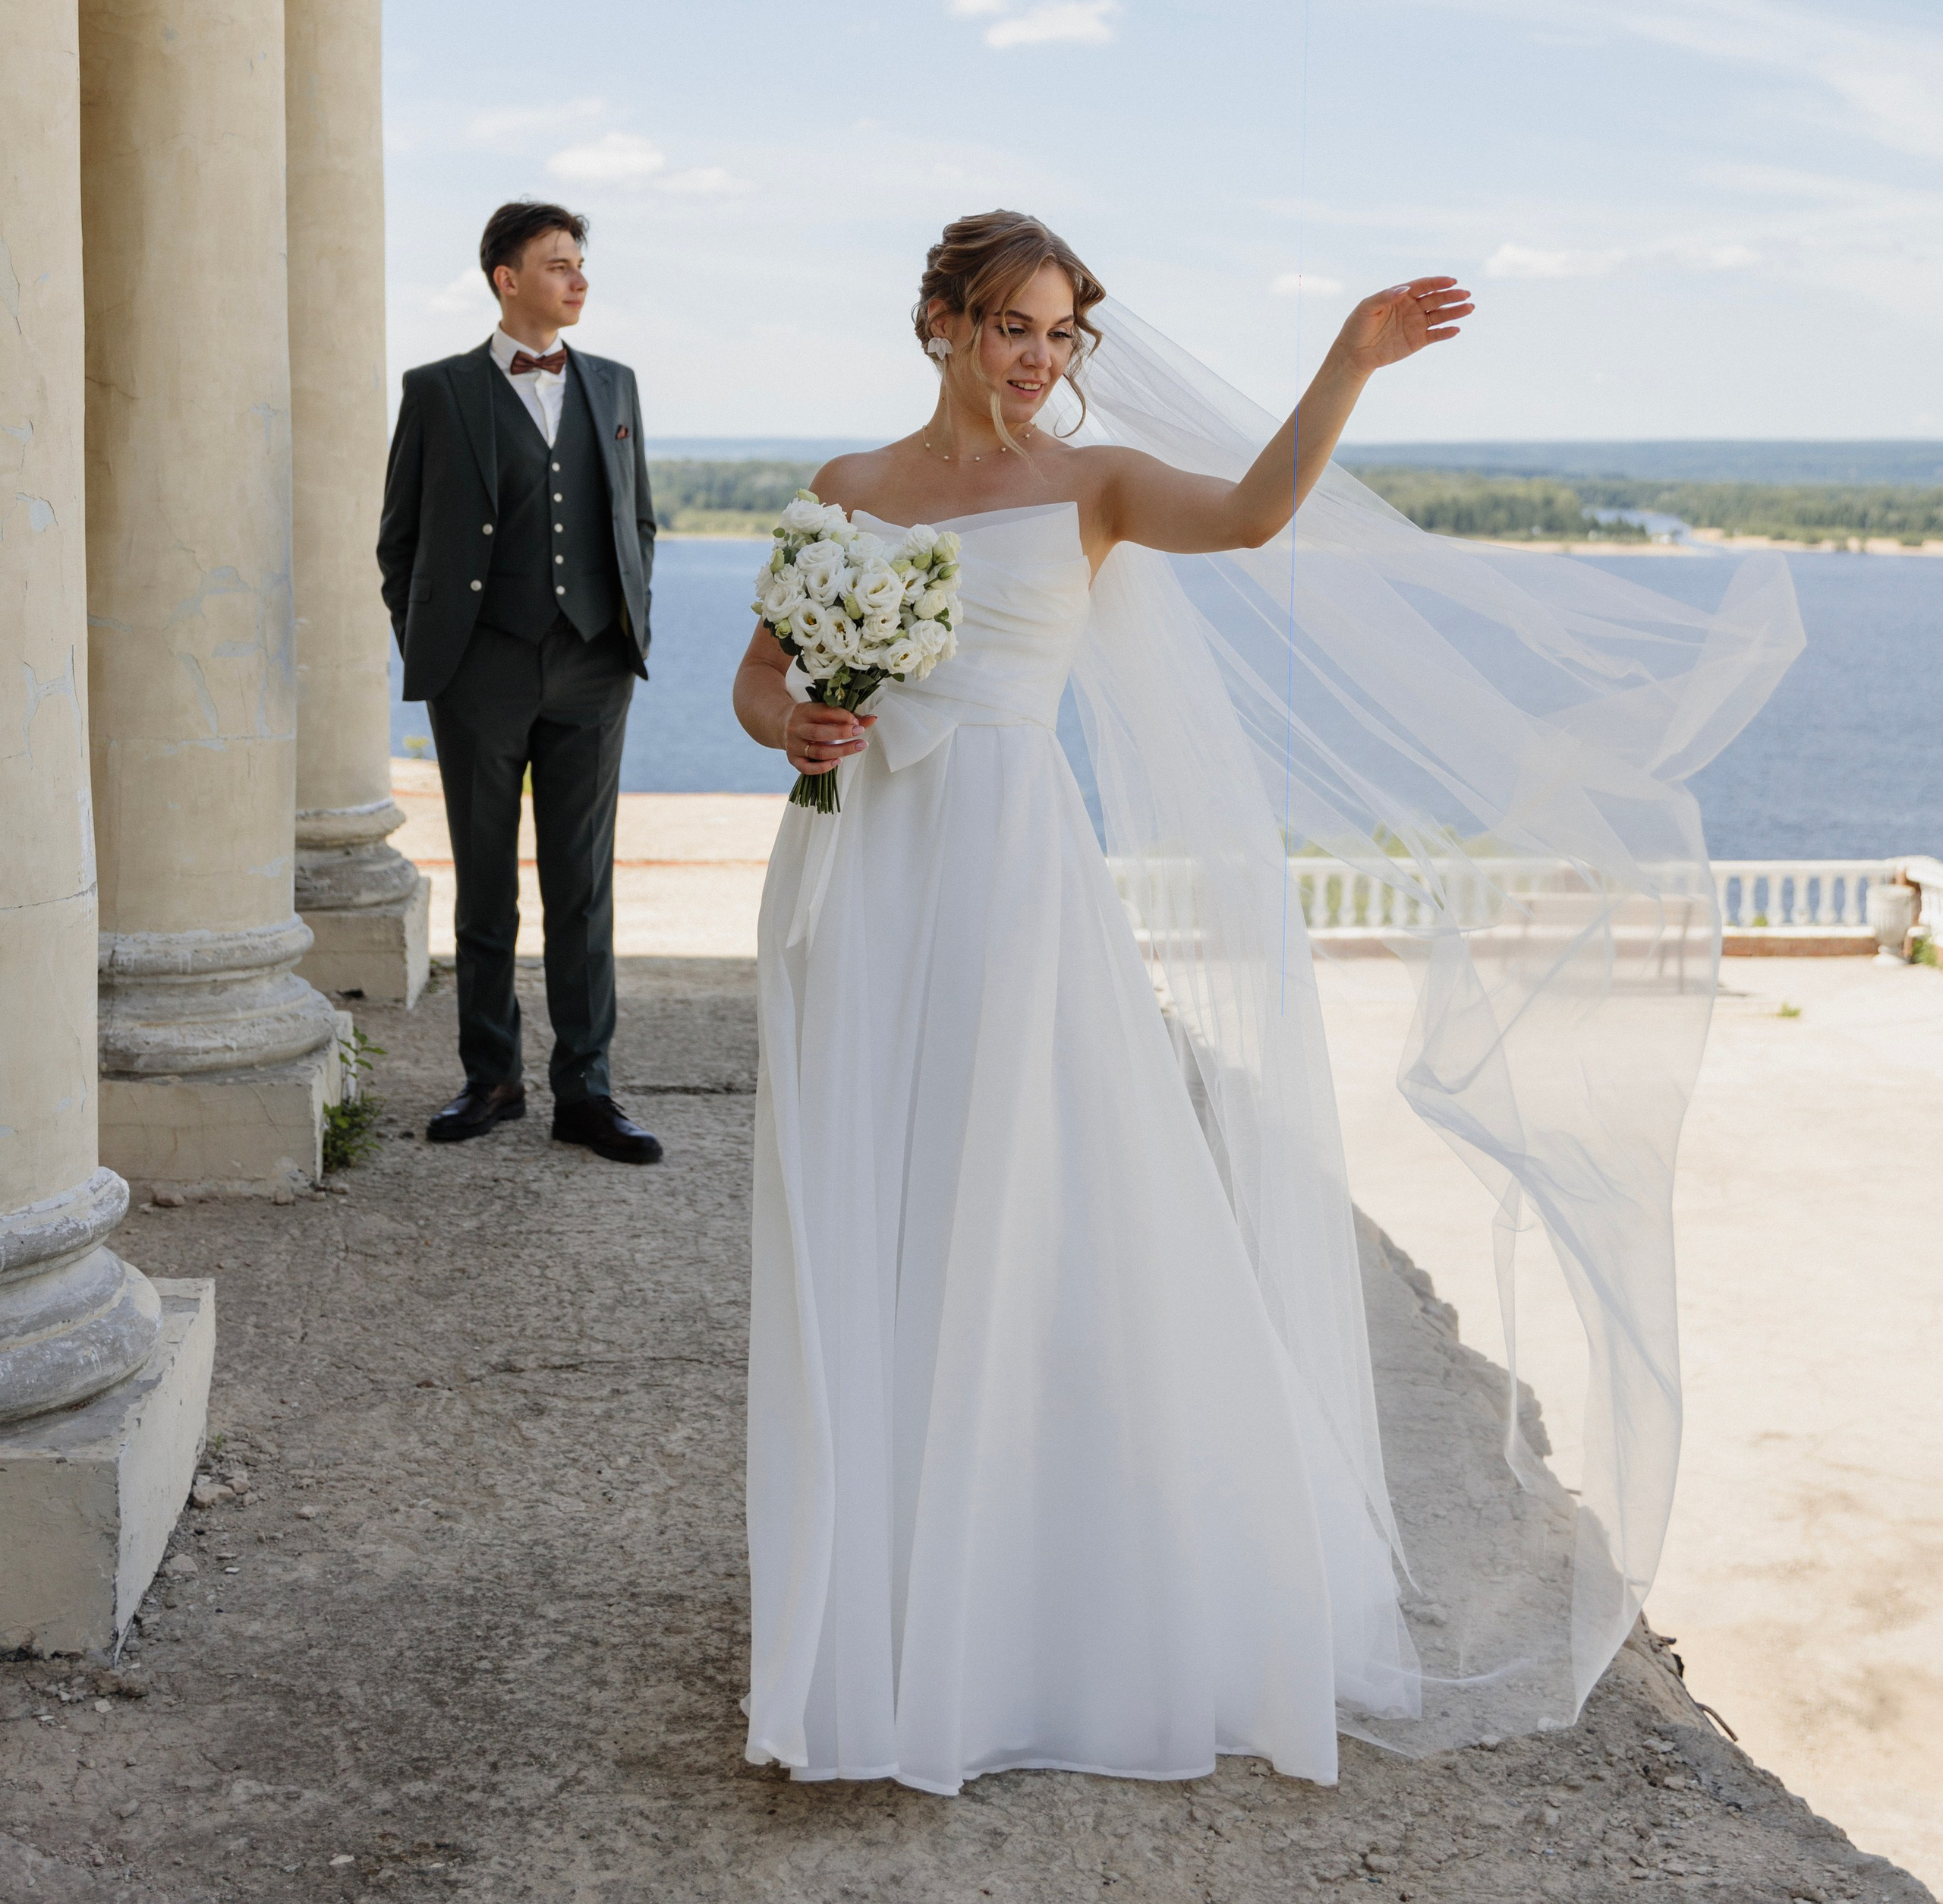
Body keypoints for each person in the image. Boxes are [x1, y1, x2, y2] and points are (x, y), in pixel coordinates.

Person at [731, 210, 1798, 1795]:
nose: (1039, 360)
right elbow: (761, 677)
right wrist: (794, 727)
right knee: (871, 1209)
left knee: (1026, 1204)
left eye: (1061, 336)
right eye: (1014, 326)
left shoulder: (1088, 488)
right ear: (943, 323)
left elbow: (1242, 515)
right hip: (860, 884)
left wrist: (1344, 365)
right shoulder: (844, 494)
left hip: (1014, 887)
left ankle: (1040, 1599)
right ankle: (882, 1600)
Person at [379, 201, 663, 1165]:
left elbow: (639, 524)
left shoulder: (615, 386)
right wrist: (440, 647)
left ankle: (587, 1090)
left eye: (581, 264)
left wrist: (627, 626)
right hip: (480, 671)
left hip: (592, 665)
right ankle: (490, 1078)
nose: (578, 280)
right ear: (507, 278)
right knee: (487, 886)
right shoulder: (438, 390)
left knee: (583, 887)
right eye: (557, 264)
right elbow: (400, 540)